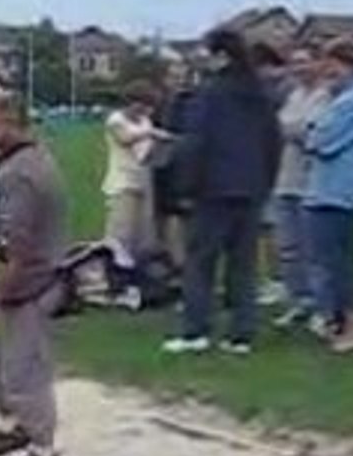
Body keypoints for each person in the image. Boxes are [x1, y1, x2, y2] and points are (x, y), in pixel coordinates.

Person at [164, 30, 281, 355]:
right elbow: (273, 143)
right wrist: (265, 182)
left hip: (213, 189)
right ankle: (241, 334)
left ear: (221, 56)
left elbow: (196, 143)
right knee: (243, 265)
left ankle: (196, 331)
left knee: (200, 263)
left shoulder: (209, 93)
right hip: (251, 188)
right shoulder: (260, 94)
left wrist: (184, 186)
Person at [0, 90, 68, 456]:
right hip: (18, 281)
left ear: (13, 123)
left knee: (24, 371)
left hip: (26, 287)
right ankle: (14, 428)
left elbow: (17, 245)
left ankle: (44, 452)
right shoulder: (26, 160)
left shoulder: (19, 173)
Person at [304, 38, 353, 353]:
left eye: (333, 64)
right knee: (331, 260)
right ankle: (336, 321)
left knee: (340, 263)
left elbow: (320, 142)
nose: (327, 70)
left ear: (351, 65)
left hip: (340, 191)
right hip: (330, 189)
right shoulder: (345, 97)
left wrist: (314, 131)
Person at [272, 48, 331, 330]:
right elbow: (282, 127)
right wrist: (292, 127)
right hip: (285, 180)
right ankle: (299, 301)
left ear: (317, 63)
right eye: (294, 63)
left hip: (312, 183)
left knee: (315, 250)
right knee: (288, 248)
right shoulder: (293, 95)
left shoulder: (327, 95)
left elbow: (314, 133)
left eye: (304, 62)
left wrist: (290, 127)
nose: (299, 68)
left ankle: (323, 307)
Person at [101, 79, 170, 257]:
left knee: (141, 234)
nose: (147, 110)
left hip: (142, 180)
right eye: (144, 105)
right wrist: (151, 133)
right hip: (123, 183)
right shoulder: (115, 120)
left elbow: (146, 151)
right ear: (132, 102)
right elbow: (125, 139)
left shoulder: (145, 121)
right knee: (121, 233)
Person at [251, 42, 294, 307]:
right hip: (261, 164)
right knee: (261, 227)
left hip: (276, 166)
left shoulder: (281, 90)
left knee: (271, 226)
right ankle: (270, 279)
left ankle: (280, 281)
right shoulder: (271, 88)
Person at [153, 62, 197, 268]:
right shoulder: (159, 103)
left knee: (183, 215)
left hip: (186, 168)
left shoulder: (194, 104)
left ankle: (184, 262)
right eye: (174, 77)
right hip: (162, 167)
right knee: (161, 215)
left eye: (182, 77)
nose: (179, 81)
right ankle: (165, 258)